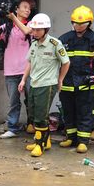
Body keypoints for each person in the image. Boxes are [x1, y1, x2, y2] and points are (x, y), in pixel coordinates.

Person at [57, 5, 94, 154]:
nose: (78, 26)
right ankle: (71, 137)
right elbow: (57, 60)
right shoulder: (64, 39)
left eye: (82, 24)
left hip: (85, 84)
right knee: (68, 112)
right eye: (75, 23)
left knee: (84, 113)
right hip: (67, 83)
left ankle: (83, 141)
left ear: (89, 24)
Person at [17, 13, 69, 157]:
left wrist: (60, 79)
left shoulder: (55, 44)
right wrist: (23, 80)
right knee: (33, 115)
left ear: (46, 29)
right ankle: (45, 141)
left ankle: (40, 145)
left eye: (38, 30)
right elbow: (29, 63)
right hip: (34, 83)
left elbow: (66, 62)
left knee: (41, 117)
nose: (34, 32)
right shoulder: (34, 44)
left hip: (47, 85)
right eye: (33, 29)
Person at [0, 0, 35, 138]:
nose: (28, 10)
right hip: (11, 70)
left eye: (29, 8)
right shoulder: (8, 26)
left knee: (32, 101)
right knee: (13, 102)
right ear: (17, 9)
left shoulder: (31, 24)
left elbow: (27, 31)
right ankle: (12, 128)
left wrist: (12, 17)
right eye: (24, 7)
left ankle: (33, 125)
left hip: (27, 70)